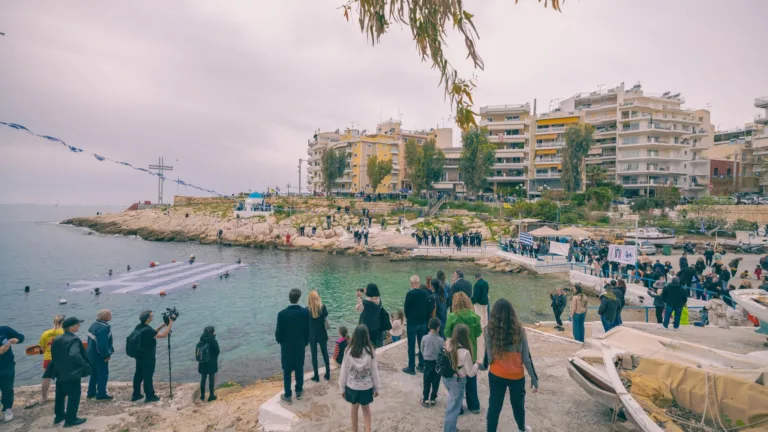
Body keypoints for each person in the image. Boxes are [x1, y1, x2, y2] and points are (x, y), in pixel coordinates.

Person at [485, 299, 539, 432]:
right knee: (518, 405)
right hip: (516, 376)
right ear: (512, 314)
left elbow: (490, 357)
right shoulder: (520, 331)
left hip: (496, 374)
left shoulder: (488, 330)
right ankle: (521, 428)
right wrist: (533, 377)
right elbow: (526, 359)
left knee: (494, 406)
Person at [444, 292, 482, 415]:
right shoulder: (475, 316)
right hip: (471, 351)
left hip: (457, 353)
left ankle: (458, 407)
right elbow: (478, 333)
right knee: (471, 379)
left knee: (457, 380)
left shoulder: (452, 317)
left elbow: (448, 334)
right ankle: (474, 406)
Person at [338, 325, 380, 432]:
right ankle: (368, 429)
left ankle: (354, 430)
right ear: (367, 337)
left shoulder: (348, 351)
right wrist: (377, 387)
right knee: (366, 409)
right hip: (366, 386)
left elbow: (344, 370)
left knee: (354, 407)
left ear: (354, 336)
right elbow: (374, 371)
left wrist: (342, 388)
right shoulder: (370, 351)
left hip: (352, 387)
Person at [50, 317, 89, 428]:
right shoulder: (74, 339)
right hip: (71, 373)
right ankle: (71, 419)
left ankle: (59, 416)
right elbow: (74, 355)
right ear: (71, 327)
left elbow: (54, 355)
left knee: (60, 395)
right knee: (74, 395)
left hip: (59, 371)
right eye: (77, 324)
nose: (79, 326)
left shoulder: (57, 339)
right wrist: (85, 365)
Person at [442, 324, 478, 432]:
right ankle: (449, 430)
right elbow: (471, 373)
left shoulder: (448, 344)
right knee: (453, 409)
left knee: (453, 403)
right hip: (457, 381)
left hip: (446, 378)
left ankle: (451, 428)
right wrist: (477, 365)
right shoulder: (465, 352)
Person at [275, 289, 310, 405]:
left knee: (287, 370)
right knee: (299, 367)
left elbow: (278, 333)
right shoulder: (305, 313)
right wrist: (305, 342)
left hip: (286, 347)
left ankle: (288, 395)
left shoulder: (281, 314)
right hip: (299, 345)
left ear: (289, 298)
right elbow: (307, 331)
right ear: (299, 298)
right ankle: (299, 391)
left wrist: (281, 342)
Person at [131, 309, 174, 403]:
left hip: (139, 355)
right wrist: (171, 323)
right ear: (147, 318)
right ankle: (150, 396)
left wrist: (163, 325)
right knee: (148, 376)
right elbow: (163, 335)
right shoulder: (147, 330)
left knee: (138, 374)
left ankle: (136, 395)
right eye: (151, 316)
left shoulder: (139, 326)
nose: (152, 317)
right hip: (147, 356)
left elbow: (152, 333)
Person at [25, 315, 65, 408]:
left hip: (48, 358)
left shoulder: (46, 333)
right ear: (63, 323)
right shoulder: (64, 332)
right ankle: (62, 395)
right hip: (61, 358)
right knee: (62, 377)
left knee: (47, 378)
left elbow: (42, 349)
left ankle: (44, 397)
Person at [403, 276, 433, 375]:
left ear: (411, 283)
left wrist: (408, 317)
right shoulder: (425, 293)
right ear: (419, 283)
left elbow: (406, 309)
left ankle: (411, 368)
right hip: (423, 322)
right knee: (421, 345)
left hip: (412, 323)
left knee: (411, 345)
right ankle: (421, 365)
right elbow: (430, 307)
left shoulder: (409, 294)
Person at [86, 309, 114, 400]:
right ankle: (101, 394)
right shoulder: (104, 328)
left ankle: (91, 392)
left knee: (93, 373)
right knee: (103, 374)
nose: (111, 315)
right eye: (109, 314)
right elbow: (102, 344)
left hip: (91, 354)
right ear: (104, 316)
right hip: (99, 356)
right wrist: (106, 354)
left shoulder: (93, 325)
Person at [0, 325, 24, 422]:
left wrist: (16, 339)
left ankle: (7, 409)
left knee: (8, 389)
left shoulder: (4, 330)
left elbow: (21, 337)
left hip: (7, 366)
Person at [307, 291, 331, 382]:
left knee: (314, 355)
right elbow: (325, 315)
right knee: (325, 353)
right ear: (318, 298)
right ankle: (328, 374)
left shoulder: (307, 310)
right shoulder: (323, 308)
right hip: (322, 334)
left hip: (312, 335)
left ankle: (316, 376)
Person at [420, 317, 444, 408]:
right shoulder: (441, 340)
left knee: (426, 381)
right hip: (437, 363)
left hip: (428, 361)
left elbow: (422, 349)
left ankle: (425, 398)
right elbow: (442, 351)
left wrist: (425, 356)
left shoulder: (424, 338)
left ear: (428, 326)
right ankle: (433, 398)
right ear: (438, 328)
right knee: (436, 381)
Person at [196, 326, 220, 402]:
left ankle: (202, 396)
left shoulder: (201, 341)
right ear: (212, 332)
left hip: (202, 362)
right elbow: (217, 351)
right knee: (211, 378)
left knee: (203, 378)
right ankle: (211, 396)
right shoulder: (213, 341)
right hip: (211, 363)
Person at [356, 284, 384, 348]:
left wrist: (359, 297)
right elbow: (371, 298)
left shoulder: (365, 302)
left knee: (367, 345)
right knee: (375, 345)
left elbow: (358, 308)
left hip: (367, 327)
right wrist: (366, 292)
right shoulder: (379, 300)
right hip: (377, 326)